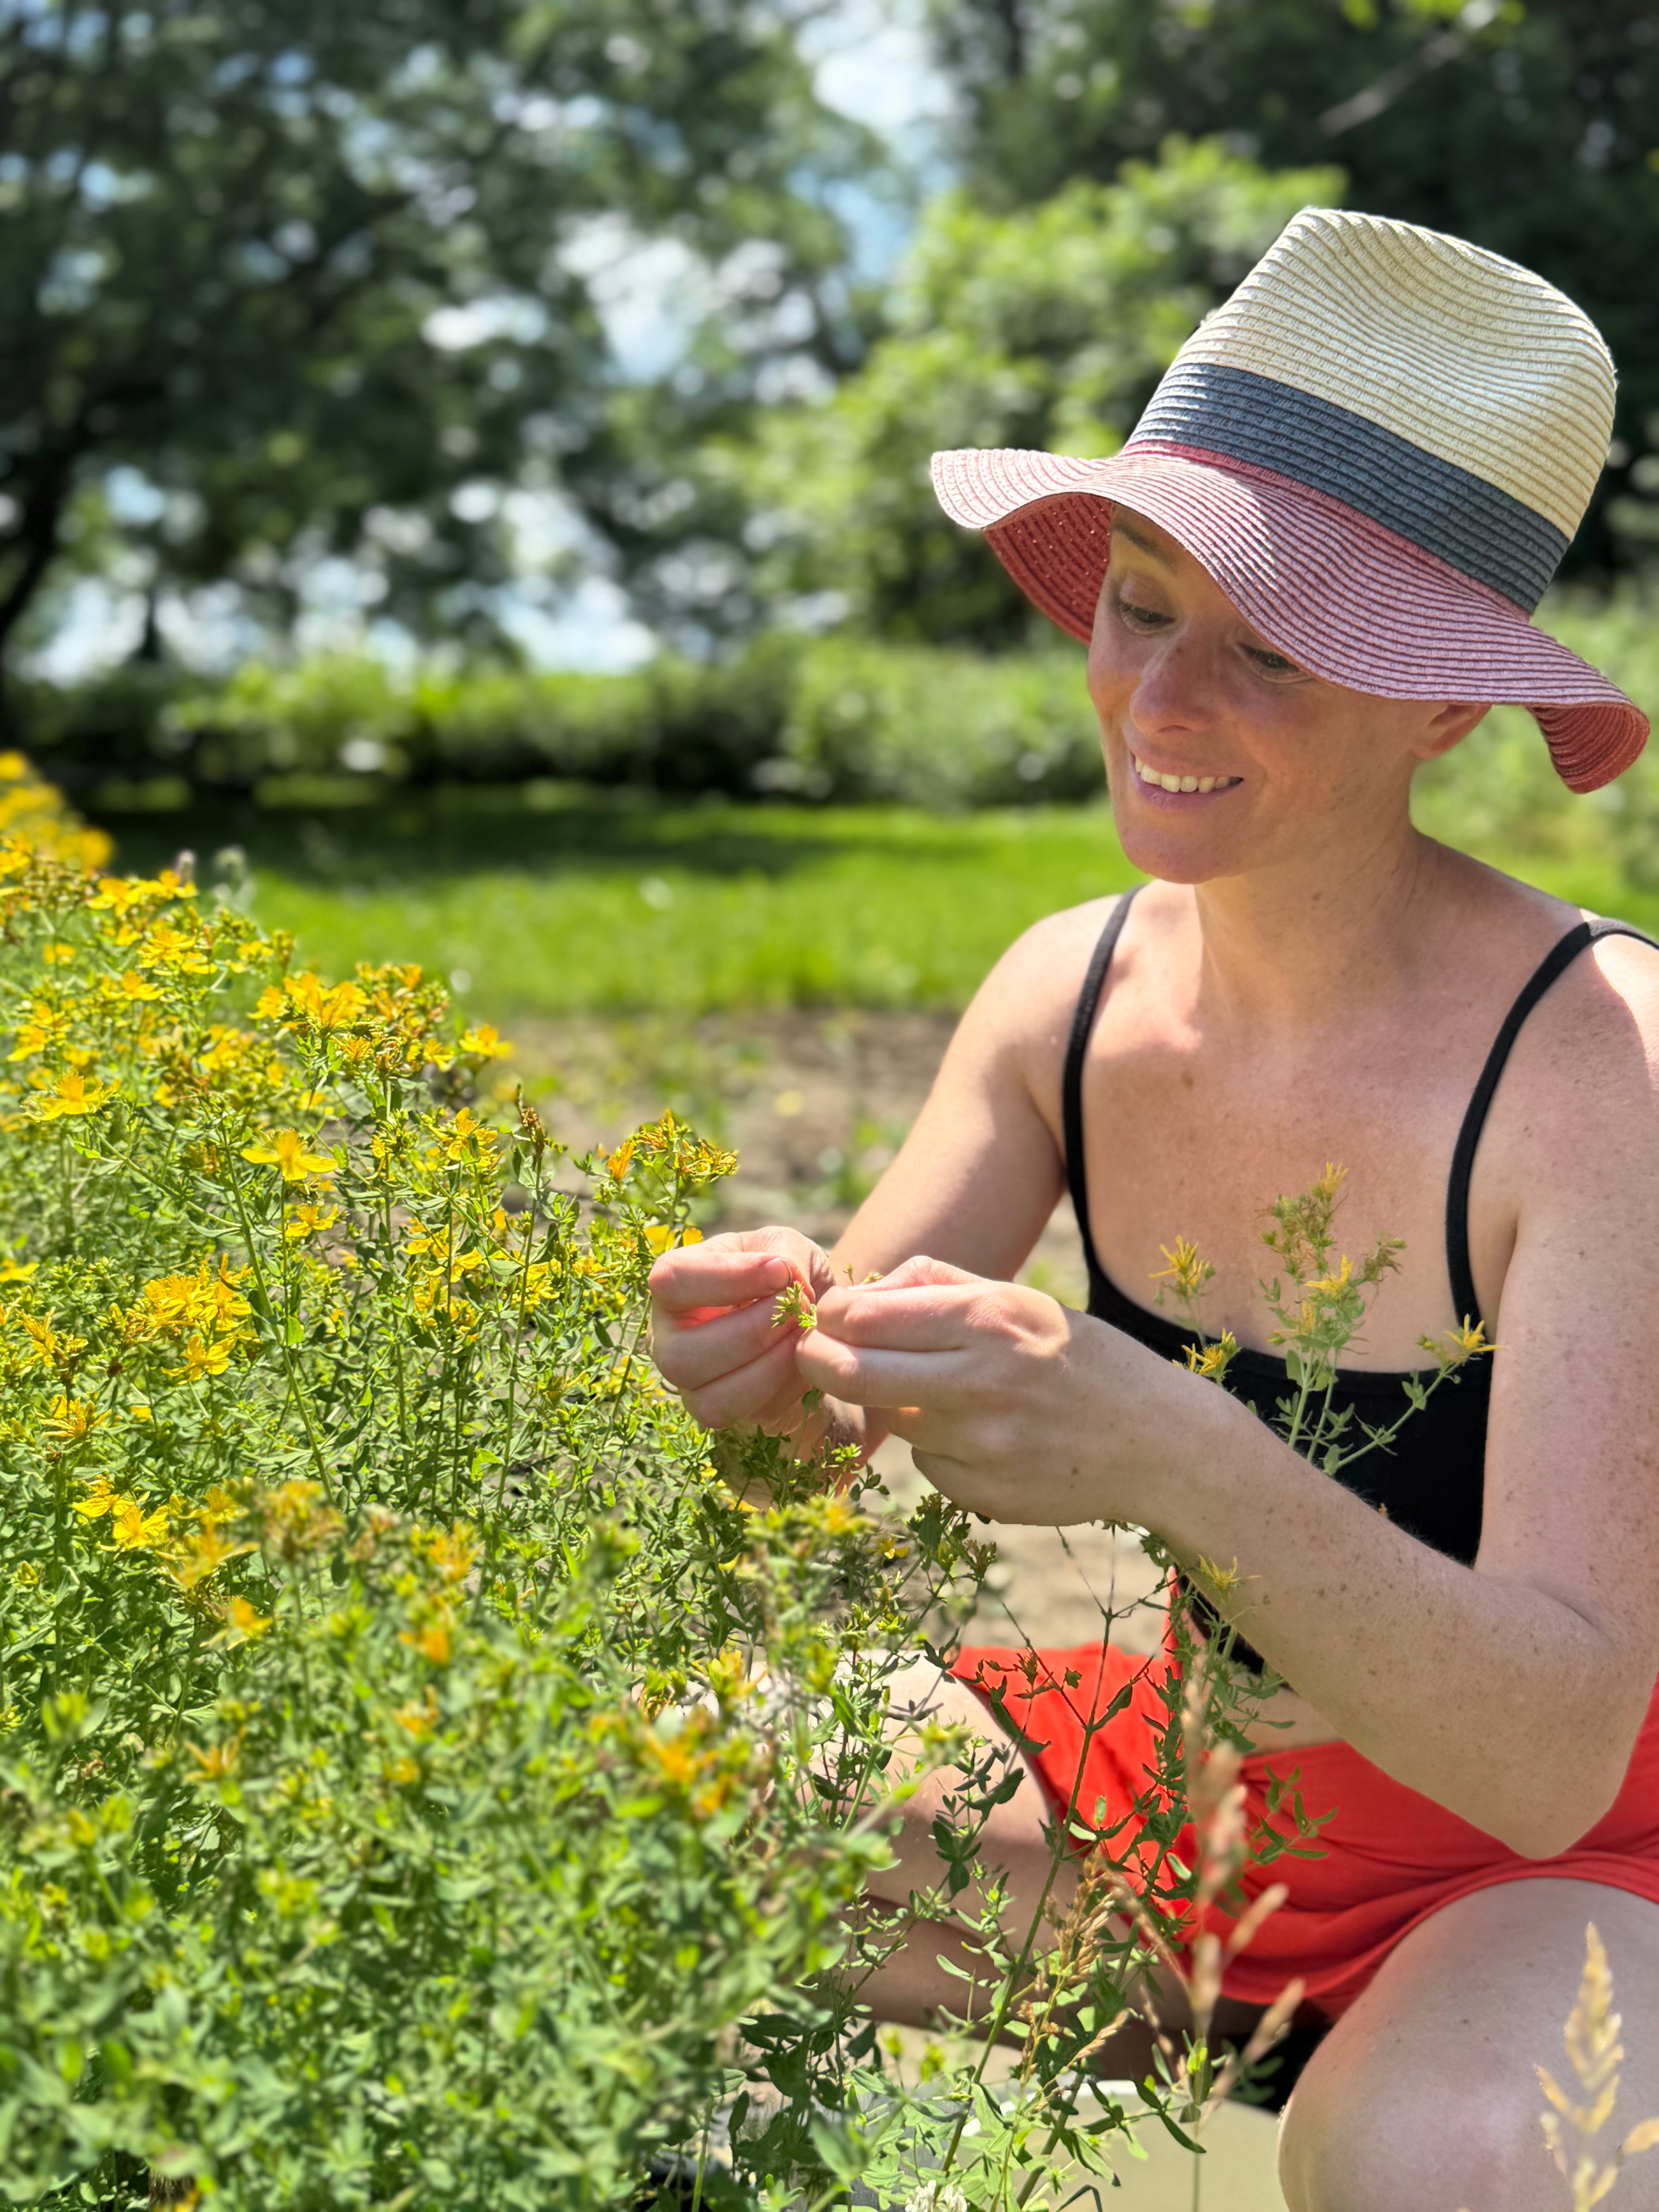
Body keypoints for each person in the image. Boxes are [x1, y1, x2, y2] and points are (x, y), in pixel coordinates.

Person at [647, 208, 1659, 2210]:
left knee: (1468, 2157)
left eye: (1269, 652)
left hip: (1570, 1874)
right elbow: (809, 1453)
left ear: (1445, 706)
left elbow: (1550, 1745)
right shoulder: (1064, 992)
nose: (1164, 700)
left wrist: (1163, 1441)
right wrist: (755, 1368)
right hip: (1172, 1833)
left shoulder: (1608, 1068)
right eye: (1137, 607)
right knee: (658, 1793)